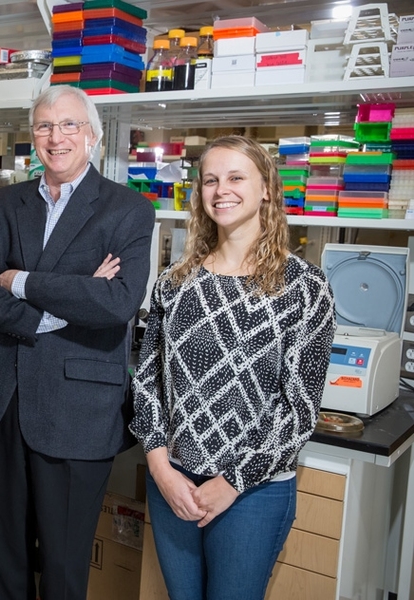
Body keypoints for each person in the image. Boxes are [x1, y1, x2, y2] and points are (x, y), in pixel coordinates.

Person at [0, 85, 156, 599]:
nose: (56, 136)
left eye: (69, 125)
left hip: (79, 409)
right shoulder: (3, 205)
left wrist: (20, 280)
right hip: (5, 400)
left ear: (93, 136)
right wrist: (68, 299)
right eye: (44, 126)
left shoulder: (128, 209)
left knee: (66, 564)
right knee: (3, 554)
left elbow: (116, 303)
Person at [130, 135, 336, 600]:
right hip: (175, 483)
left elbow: (299, 409)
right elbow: (147, 381)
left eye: (236, 177)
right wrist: (160, 467)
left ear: (267, 188)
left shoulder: (304, 287)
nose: (222, 189)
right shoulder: (176, 282)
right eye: (211, 180)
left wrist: (232, 483)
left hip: (253, 492)